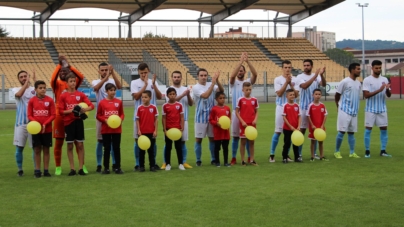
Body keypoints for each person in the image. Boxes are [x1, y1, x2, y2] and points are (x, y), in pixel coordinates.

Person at [50, 55, 85, 175]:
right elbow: (53, 78)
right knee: (59, 142)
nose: (63, 72)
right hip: (60, 116)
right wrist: (60, 64)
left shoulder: (72, 84)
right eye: (61, 71)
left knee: (77, 142)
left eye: (66, 71)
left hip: (73, 116)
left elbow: (81, 76)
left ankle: (81, 166)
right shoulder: (57, 84)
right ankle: (58, 166)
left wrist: (69, 65)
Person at [59, 73, 94, 176]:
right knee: (70, 146)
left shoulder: (81, 94)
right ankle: (72, 168)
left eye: (74, 81)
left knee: (80, 145)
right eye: (71, 81)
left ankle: (81, 168)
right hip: (68, 123)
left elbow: (91, 106)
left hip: (78, 122)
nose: (73, 83)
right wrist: (73, 110)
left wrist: (84, 110)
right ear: (67, 83)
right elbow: (61, 111)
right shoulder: (63, 96)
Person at [131, 63, 162, 171]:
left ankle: (153, 163)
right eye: (142, 73)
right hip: (139, 116)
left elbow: (159, 96)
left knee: (153, 140)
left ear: (148, 71)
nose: (144, 74)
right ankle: (138, 163)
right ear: (138, 72)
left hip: (151, 116)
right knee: (138, 140)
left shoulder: (153, 82)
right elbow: (135, 97)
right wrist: (144, 85)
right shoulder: (134, 82)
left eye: (145, 72)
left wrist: (153, 84)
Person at [92, 62, 122, 172]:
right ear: (99, 71)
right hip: (102, 117)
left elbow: (119, 86)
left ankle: (115, 164)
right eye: (103, 70)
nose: (105, 72)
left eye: (106, 70)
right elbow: (96, 88)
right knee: (101, 141)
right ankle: (99, 164)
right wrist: (106, 78)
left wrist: (113, 73)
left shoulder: (112, 80)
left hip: (113, 117)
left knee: (114, 142)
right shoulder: (96, 81)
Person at [160, 71, 193, 170]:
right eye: (175, 77)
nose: (177, 78)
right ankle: (166, 162)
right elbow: (170, 102)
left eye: (178, 77)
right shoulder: (168, 89)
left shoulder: (186, 89)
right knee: (168, 145)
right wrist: (183, 95)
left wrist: (187, 95)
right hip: (170, 124)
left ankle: (183, 162)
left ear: (181, 78)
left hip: (182, 121)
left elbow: (191, 103)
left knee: (182, 142)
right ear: (172, 78)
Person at [229, 52, 258, 165]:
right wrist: (240, 62)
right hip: (237, 114)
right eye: (239, 70)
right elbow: (231, 76)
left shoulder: (247, 83)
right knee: (236, 137)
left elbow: (255, 75)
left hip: (249, 114)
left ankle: (250, 158)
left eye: (242, 70)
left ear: (245, 72)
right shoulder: (233, 82)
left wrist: (248, 62)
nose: (240, 72)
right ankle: (234, 157)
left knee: (249, 137)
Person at [269, 60, 299, 162]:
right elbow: (279, 94)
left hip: (292, 109)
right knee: (277, 131)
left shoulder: (295, 79)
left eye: (289, 67)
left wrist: (291, 84)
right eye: (285, 67)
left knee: (290, 133)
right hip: (281, 107)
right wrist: (286, 82)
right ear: (282, 68)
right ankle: (272, 154)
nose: (287, 69)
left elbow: (297, 94)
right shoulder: (277, 79)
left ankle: (286, 154)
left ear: (291, 68)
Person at [192, 69, 224, 166]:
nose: (203, 77)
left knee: (212, 138)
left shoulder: (212, 84)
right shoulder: (196, 87)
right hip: (200, 117)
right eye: (201, 75)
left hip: (211, 117)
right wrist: (212, 84)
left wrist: (217, 80)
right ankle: (198, 160)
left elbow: (221, 90)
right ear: (198, 76)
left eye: (205, 75)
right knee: (198, 139)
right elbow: (205, 95)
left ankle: (213, 159)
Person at [296, 59, 326, 158]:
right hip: (304, 107)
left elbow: (324, 85)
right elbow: (304, 86)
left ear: (312, 66)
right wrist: (315, 76)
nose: (306, 67)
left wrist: (321, 75)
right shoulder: (300, 77)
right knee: (302, 130)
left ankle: (314, 153)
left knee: (316, 130)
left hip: (315, 107)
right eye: (304, 65)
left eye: (308, 65)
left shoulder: (316, 76)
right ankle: (299, 153)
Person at [363, 60, 392, 158]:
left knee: (384, 129)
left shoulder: (385, 79)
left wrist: (387, 89)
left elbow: (389, 95)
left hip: (382, 109)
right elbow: (366, 95)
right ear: (372, 68)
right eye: (376, 68)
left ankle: (383, 151)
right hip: (370, 109)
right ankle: (367, 151)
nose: (378, 69)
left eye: (380, 68)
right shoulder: (367, 80)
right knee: (368, 130)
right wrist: (379, 90)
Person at [27, 80, 56, 178]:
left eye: (44, 88)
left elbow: (53, 115)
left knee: (46, 149)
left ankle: (46, 170)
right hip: (36, 130)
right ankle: (37, 170)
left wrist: (45, 124)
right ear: (35, 89)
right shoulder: (32, 101)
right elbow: (29, 115)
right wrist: (37, 123)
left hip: (47, 130)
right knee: (37, 149)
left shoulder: (50, 100)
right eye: (40, 88)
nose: (43, 89)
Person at [11, 70, 36, 176]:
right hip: (20, 123)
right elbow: (19, 95)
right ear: (18, 79)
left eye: (25, 76)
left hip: (34, 124)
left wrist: (35, 82)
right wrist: (27, 84)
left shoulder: (34, 90)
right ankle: (20, 169)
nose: (24, 78)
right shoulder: (15, 89)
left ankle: (37, 169)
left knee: (35, 148)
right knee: (19, 148)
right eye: (21, 77)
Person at [334, 63, 362, 159]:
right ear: (352, 70)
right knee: (341, 131)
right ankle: (337, 151)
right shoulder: (344, 82)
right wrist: (338, 106)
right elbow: (337, 95)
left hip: (354, 112)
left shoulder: (358, 83)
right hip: (344, 111)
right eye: (358, 69)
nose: (359, 70)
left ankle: (352, 152)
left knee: (351, 132)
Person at [96, 83, 124, 174]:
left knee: (117, 148)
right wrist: (105, 120)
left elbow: (122, 114)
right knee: (106, 148)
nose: (113, 92)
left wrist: (120, 119)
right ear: (106, 91)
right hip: (106, 130)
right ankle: (106, 168)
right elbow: (98, 115)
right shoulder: (102, 103)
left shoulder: (119, 102)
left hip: (117, 129)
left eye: (114, 90)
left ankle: (117, 167)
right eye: (111, 90)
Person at [235, 82, 259, 166]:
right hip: (244, 124)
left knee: (252, 142)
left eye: (250, 89)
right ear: (243, 90)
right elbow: (237, 112)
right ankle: (242, 160)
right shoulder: (240, 100)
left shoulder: (254, 100)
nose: (248, 91)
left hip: (252, 124)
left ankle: (252, 159)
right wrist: (242, 121)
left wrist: (255, 119)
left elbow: (256, 111)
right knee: (243, 142)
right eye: (246, 90)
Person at [162, 88, 185, 171]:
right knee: (168, 147)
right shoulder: (165, 106)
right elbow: (163, 118)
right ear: (167, 95)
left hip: (177, 129)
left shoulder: (179, 105)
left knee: (179, 147)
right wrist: (164, 129)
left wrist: (182, 127)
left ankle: (181, 163)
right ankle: (168, 164)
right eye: (170, 94)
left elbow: (182, 117)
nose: (172, 96)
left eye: (173, 94)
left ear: (176, 95)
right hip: (169, 130)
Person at [136, 90, 159, 172]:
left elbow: (156, 119)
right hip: (142, 133)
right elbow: (137, 120)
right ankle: (141, 166)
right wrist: (138, 130)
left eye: (146, 97)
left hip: (151, 132)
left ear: (150, 98)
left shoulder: (153, 107)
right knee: (141, 151)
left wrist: (156, 130)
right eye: (142, 97)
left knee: (151, 150)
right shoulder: (139, 108)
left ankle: (152, 166)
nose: (144, 99)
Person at [209, 92, 231, 167]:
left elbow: (229, 119)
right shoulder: (214, 109)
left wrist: (228, 123)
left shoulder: (227, 108)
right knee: (217, 148)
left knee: (225, 148)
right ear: (216, 99)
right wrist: (216, 123)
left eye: (223, 98)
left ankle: (226, 162)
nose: (222, 100)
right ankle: (217, 162)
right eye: (220, 98)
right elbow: (211, 120)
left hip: (225, 132)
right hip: (217, 132)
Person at [306, 89, 328, 161]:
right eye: (316, 94)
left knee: (321, 142)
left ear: (321, 95)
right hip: (313, 128)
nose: (317, 96)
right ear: (313, 95)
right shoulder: (311, 105)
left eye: (319, 94)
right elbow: (308, 115)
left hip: (320, 127)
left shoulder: (322, 105)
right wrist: (312, 125)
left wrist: (322, 125)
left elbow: (325, 115)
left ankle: (322, 156)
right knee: (313, 142)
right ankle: (312, 156)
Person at [282, 89, 302, 163]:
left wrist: (299, 126)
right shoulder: (285, 106)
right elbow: (284, 117)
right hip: (287, 128)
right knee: (287, 143)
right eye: (290, 95)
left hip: (296, 129)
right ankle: (284, 157)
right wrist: (290, 126)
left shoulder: (297, 105)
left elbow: (299, 116)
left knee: (296, 143)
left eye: (293, 95)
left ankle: (297, 157)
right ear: (287, 96)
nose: (292, 96)